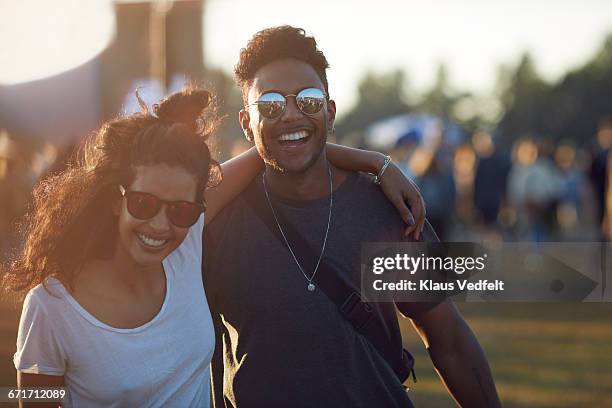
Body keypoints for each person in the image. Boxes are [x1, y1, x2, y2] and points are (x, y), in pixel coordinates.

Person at [3, 86, 426, 407]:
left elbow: (275, 149)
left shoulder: (185, 250)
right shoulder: (52, 306)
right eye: (143, 203)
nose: (161, 224)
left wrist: (375, 162)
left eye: (181, 210)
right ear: (117, 200)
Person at [203, 26, 501, 407]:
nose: (291, 115)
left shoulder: (382, 207)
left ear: (330, 113)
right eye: (271, 105)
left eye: (308, 101)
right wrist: (372, 159)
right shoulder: (219, 218)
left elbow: (450, 342)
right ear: (247, 123)